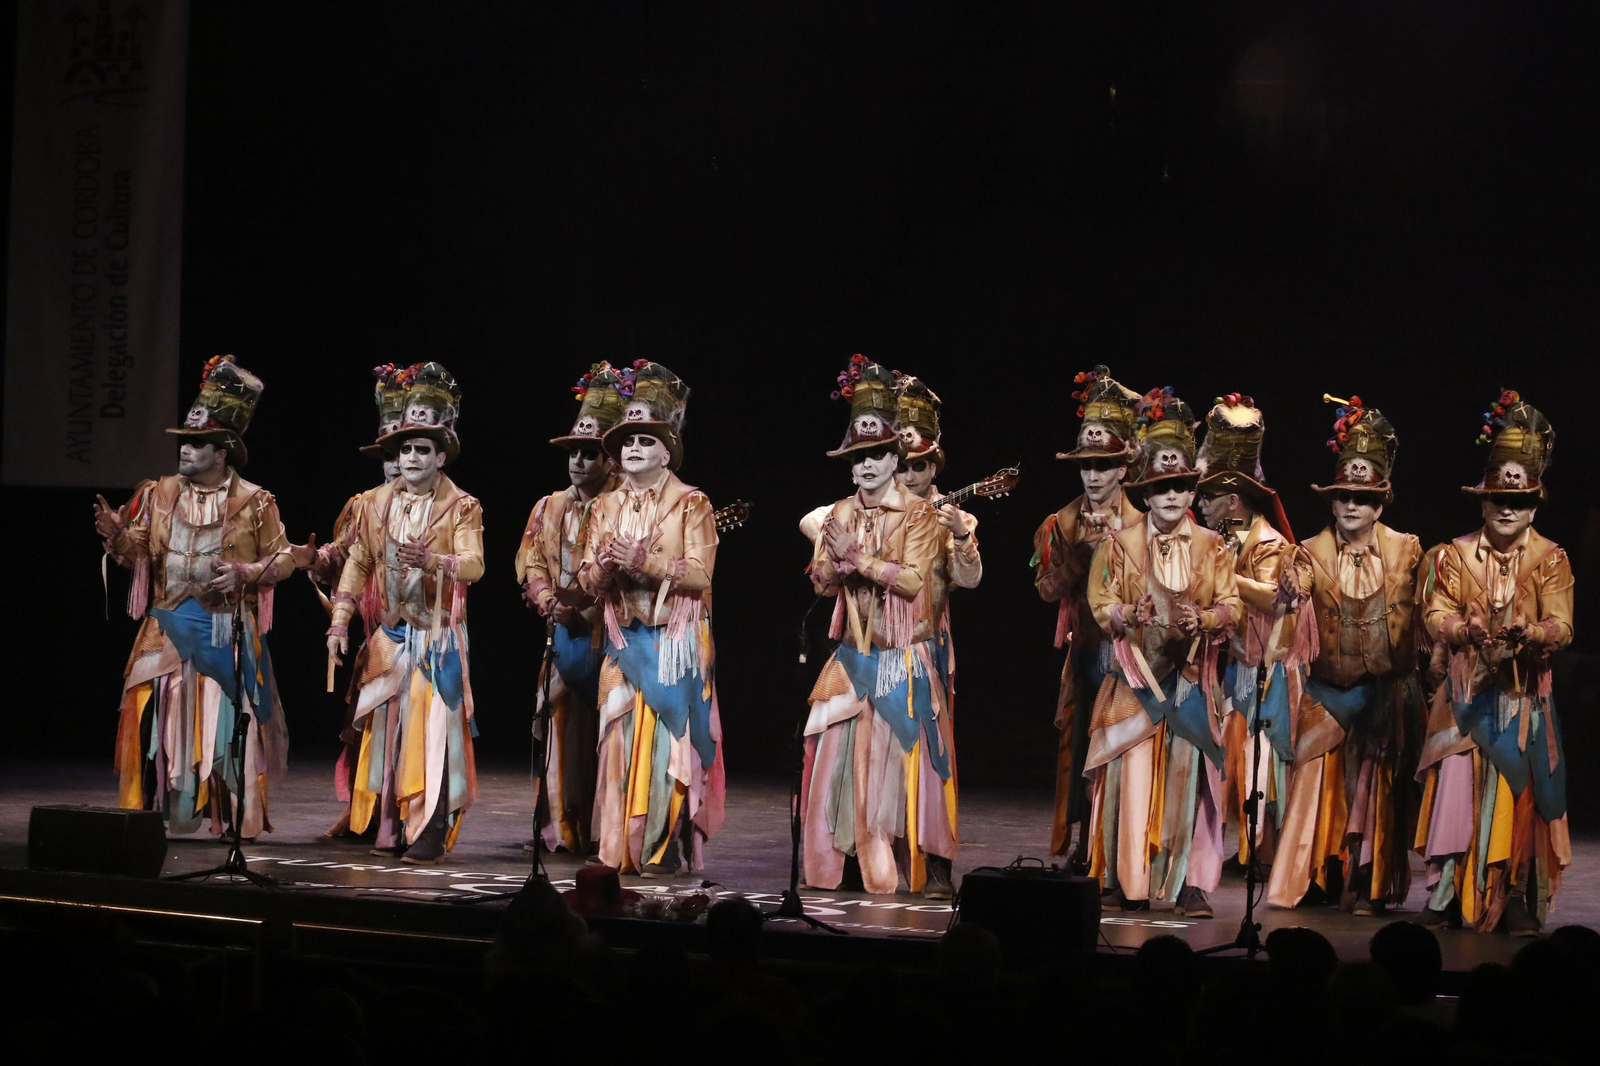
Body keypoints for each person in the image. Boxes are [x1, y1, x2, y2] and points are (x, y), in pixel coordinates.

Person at [95, 355, 293, 837]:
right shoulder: (159, 492)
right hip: (165, 626)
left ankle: (224, 812)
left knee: (226, 721)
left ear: (222, 451)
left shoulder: (255, 501)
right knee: (157, 714)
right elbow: (139, 552)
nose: (185, 451)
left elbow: (282, 558)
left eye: (196, 443)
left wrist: (246, 573)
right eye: (183, 442)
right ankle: (167, 807)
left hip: (224, 627)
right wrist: (118, 537)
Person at [1416, 393, 1572, 934]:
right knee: (1459, 789)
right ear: (1482, 503)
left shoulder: (1551, 559)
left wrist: (1534, 633)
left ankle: (1518, 894)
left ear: (1534, 506)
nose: (1507, 509)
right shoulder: (1452, 555)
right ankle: (1447, 895)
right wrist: (1463, 629)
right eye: (1498, 499)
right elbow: (1435, 611)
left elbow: (1564, 623)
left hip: (1524, 700)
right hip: (1467, 698)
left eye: (1520, 500)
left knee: (1522, 793)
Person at [1084, 387, 1241, 916]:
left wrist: (1211, 618)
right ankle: (1120, 876)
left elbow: (1233, 604)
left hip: (1190, 681)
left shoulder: (1212, 546)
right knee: (1127, 781)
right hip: (1134, 681)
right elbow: (1099, 603)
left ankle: (1187, 883)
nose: (1172, 496)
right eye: (1161, 487)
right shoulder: (1118, 544)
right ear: (1146, 492)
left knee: (1190, 780)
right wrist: (1128, 615)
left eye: (1180, 486)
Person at [799, 356, 952, 896]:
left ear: (895, 457)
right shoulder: (839, 512)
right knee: (831, 754)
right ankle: (831, 866)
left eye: (876, 455)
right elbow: (820, 582)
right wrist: (831, 565)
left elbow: (912, 582)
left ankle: (894, 867)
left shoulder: (920, 516)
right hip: (850, 654)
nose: (865, 466)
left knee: (890, 767)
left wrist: (858, 560)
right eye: (857, 457)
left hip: (900, 657)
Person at [1268, 394, 1422, 915]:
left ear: (1380, 503)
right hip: (1331, 689)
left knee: (1373, 791)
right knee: (1317, 786)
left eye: (1362, 497)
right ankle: (1313, 878)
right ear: (1332, 503)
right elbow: (1299, 581)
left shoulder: (1408, 550)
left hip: (1382, 691)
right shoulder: (1310, 551)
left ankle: (1369, 884)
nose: (1351, 505)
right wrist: (1291, 585)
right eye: (1343, 497)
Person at [325, 362, 484, 864]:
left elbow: (476, 566)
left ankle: (431, 830)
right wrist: (339, 621)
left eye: (422, 449)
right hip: (391, 636)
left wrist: (435, 560)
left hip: (436, 638)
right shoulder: (374, 503)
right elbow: (358, 562)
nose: (411, 457)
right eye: (405, 449)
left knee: (433, 736)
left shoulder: (463, 506)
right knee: (387, 733)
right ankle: (388, 826)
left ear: (441, 456)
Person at [577, 360, 726, 876]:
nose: (635, 448)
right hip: (624, 641)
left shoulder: (692, 503)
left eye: (647, 440)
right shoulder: (604, 507)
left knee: (670, 748)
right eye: (628, 441)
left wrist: (645, 562)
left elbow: (701, 574)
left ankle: (664, 845)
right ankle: (621, 846)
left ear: (668, 450)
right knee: (617, 742)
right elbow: (584, 581)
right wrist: (601, 567)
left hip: (674, 643)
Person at [1030, 366, 1145, 866]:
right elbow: (1045, 590)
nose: (1093, 475)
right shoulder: (1061, 522)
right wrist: (1077, 558)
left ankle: (1124, 842)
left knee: (1125, 748)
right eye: (1086, 466)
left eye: (1103, 465)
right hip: (1087, 652)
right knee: (1080, 748)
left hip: (1135, 657)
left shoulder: (1148, 523)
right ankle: (1083, 843)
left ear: (1122, 467)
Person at [1194, 394, 1313, 867]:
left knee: (1268, 756)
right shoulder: (1226, 540)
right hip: (1240, 667)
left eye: (1207, 496)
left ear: (1232, 499)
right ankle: (1246, 847)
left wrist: (1224, 576)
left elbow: (1275, 597)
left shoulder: (1269, 542)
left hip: (1273, 670)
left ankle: (1267, 853)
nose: (1199, 504)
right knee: (1238, 755)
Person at [514, 362, 624, 856]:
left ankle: (609, 831)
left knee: (609, 736)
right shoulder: (548, 506)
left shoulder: (625, 505)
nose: (578, 462)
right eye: (574, 453)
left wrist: (585, 610)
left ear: (611, 460)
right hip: (563, 636)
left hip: (609, 636)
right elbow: (530, 559)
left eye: (590, 453)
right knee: (563, 734)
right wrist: (544, 600)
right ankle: (563, 827)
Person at [891, 375, 981, 898]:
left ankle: (935, 858)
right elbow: (812, 520)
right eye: (900, 464)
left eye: (919, 465)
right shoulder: (867, 505)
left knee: (930, 756)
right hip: (868, 645)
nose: (909, 473)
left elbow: (969, 580)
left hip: (923, 649)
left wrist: (962, 535)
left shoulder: (954, 516)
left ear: (934, 466)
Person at [310, 364, 404, 837]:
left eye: (402, 451)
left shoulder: (449, 506)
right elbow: (343, 557)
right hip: (376, 634)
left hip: (421, 630)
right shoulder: (364, 504)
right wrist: (316, 559)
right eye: (387, 453)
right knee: (366, 721)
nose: (393, 462)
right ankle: (363, 811)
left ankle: (406, 811)